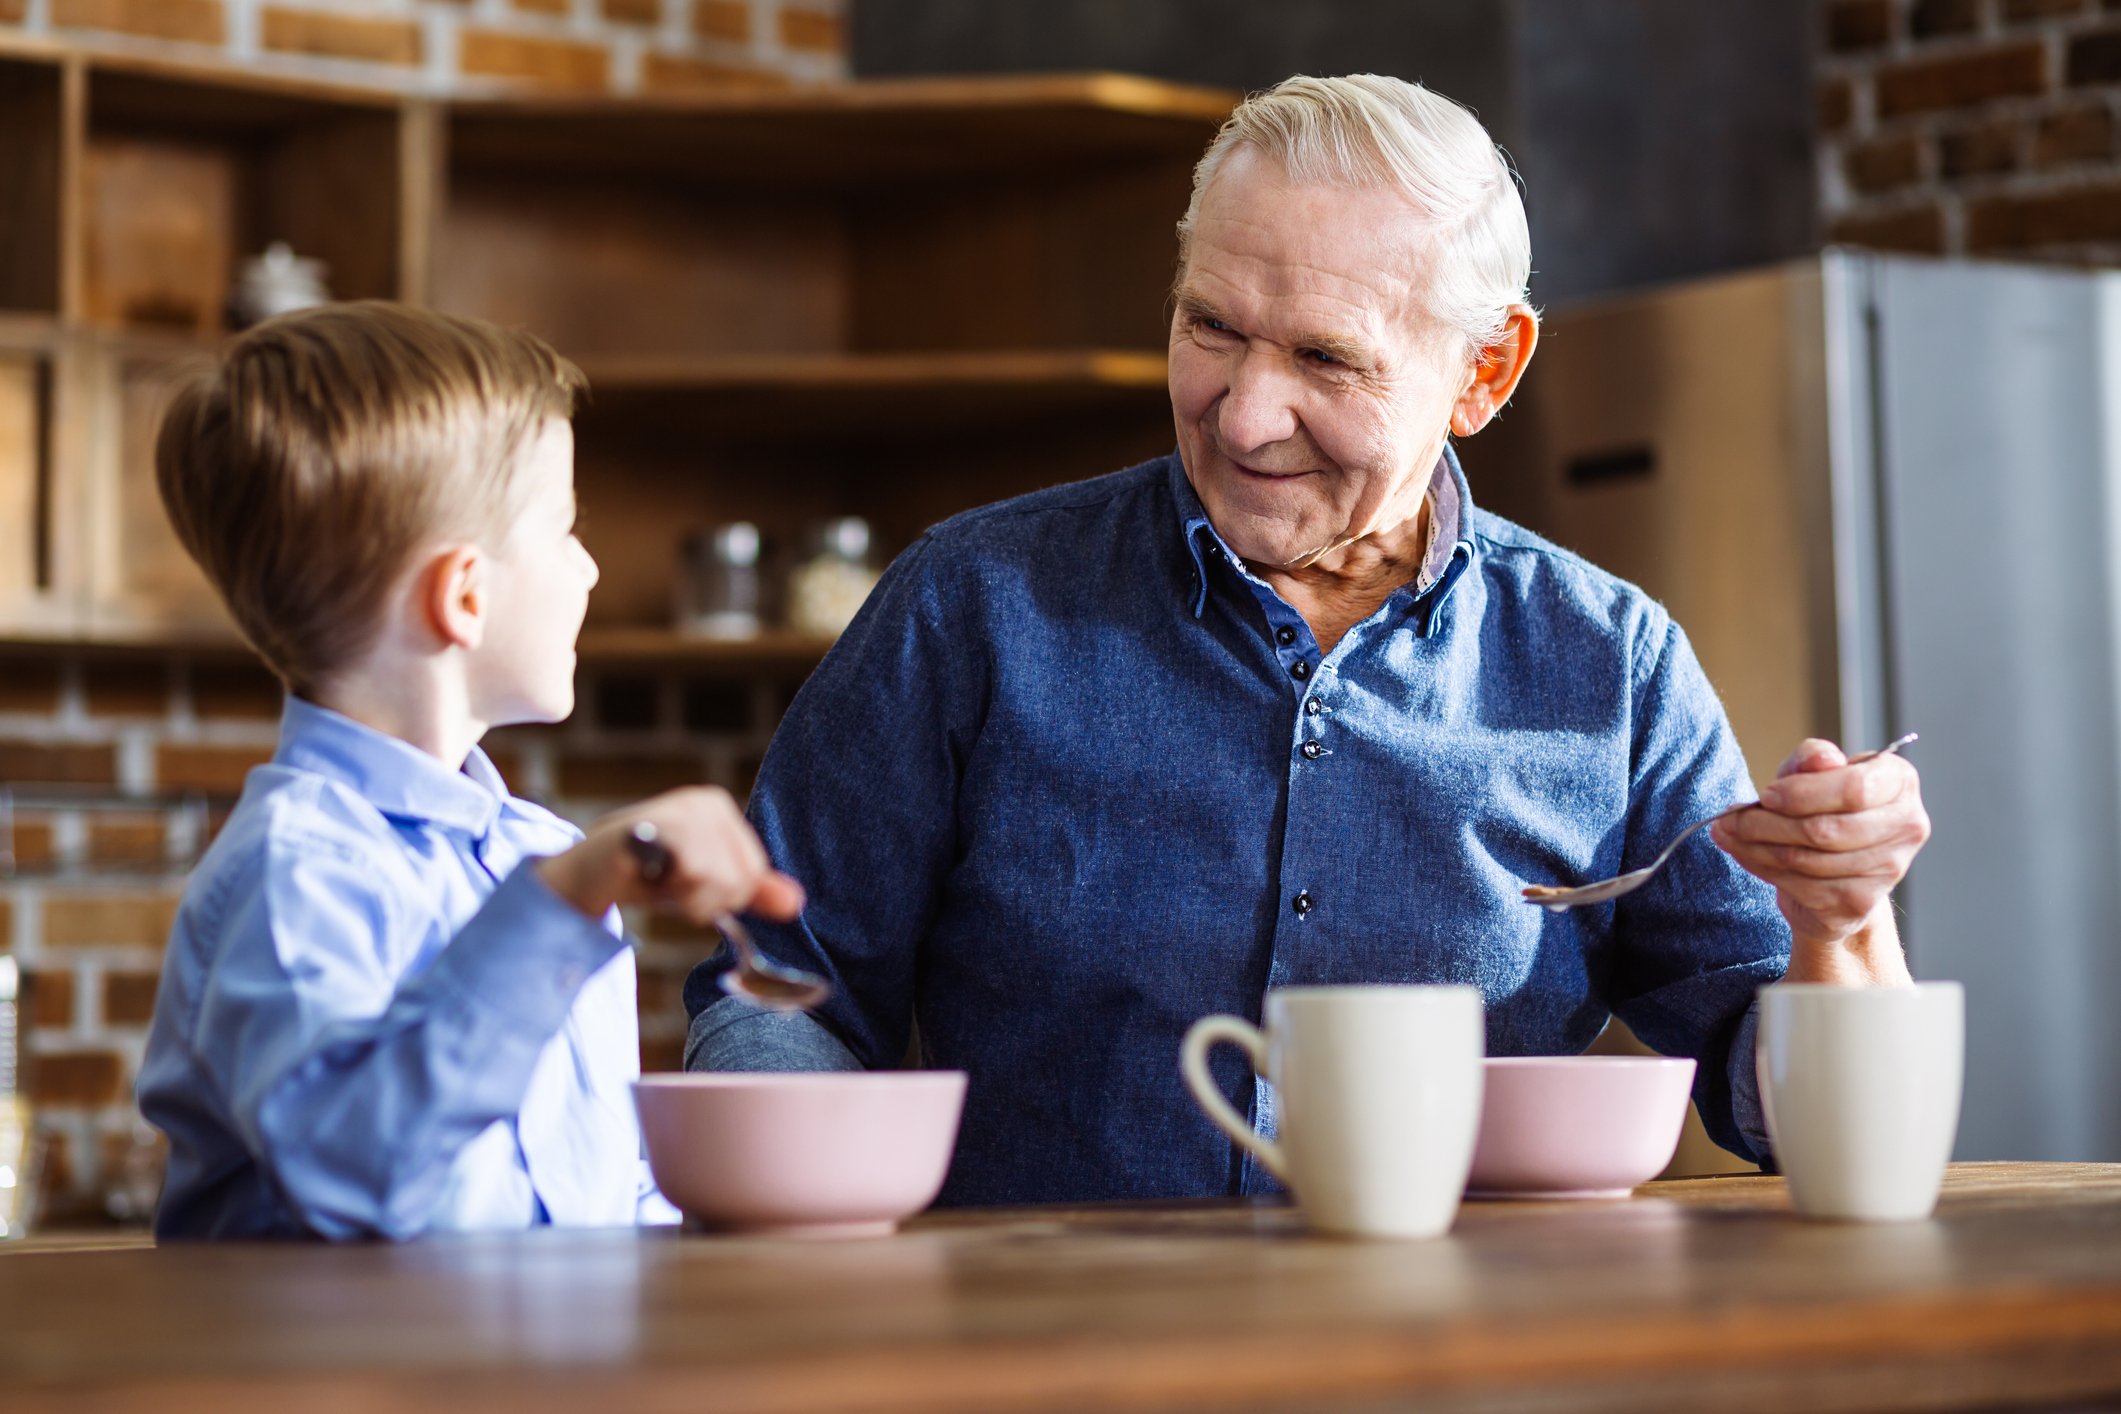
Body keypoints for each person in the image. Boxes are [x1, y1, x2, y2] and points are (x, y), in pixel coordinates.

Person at [685, 74, 1931, 1207]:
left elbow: (1789, 1116)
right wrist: (796, 1217)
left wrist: (1843, 924)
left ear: (1485, 372)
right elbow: (776, 983)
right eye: (1211, 327)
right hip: (1046, 1358)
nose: (1245, 411)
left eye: (1327, 358)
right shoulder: (969, 604)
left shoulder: (1611, 664)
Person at [137, 303, 802, 1239]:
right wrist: (559, 900)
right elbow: (361, 1173)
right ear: (464, 595)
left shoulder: (545, 854)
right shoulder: (295, 873)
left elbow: (600, 1189)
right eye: (565, 530)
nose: (590, 571)